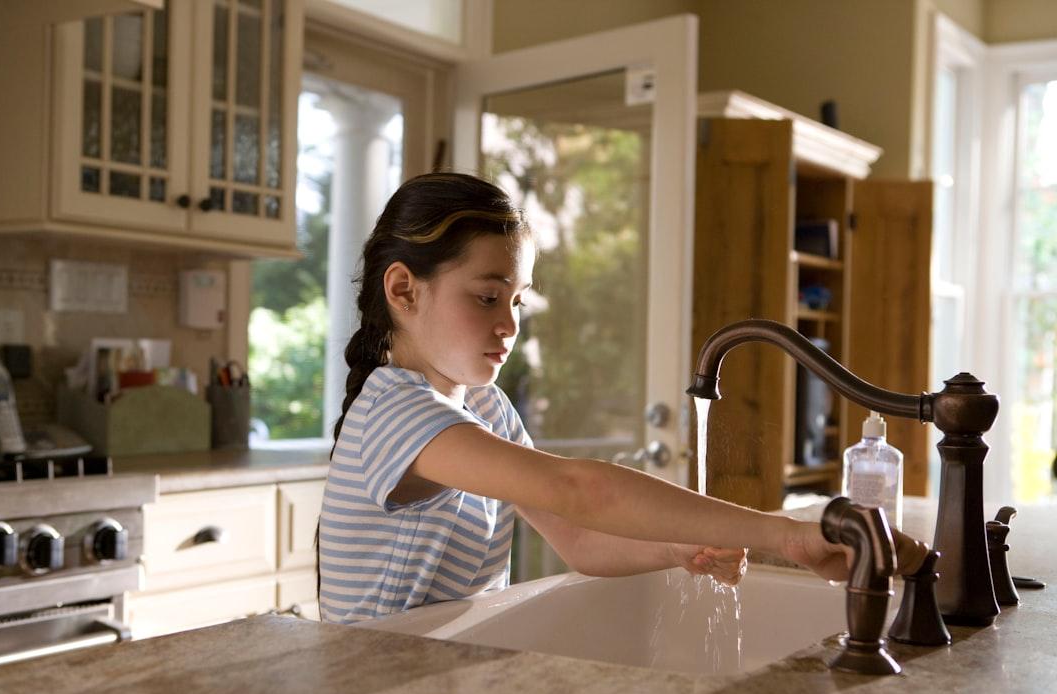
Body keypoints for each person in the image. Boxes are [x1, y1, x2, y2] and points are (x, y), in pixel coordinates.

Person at [317, 172, 926, 624]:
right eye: (486, 297)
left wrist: (678, 544)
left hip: (441, 675)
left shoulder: (484, 408)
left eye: (518, 301)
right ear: (403, 289)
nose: (510, 324)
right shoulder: (392, 411)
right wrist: (786, 534)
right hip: (370, 684)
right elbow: (581, 490)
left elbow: (577, 536)